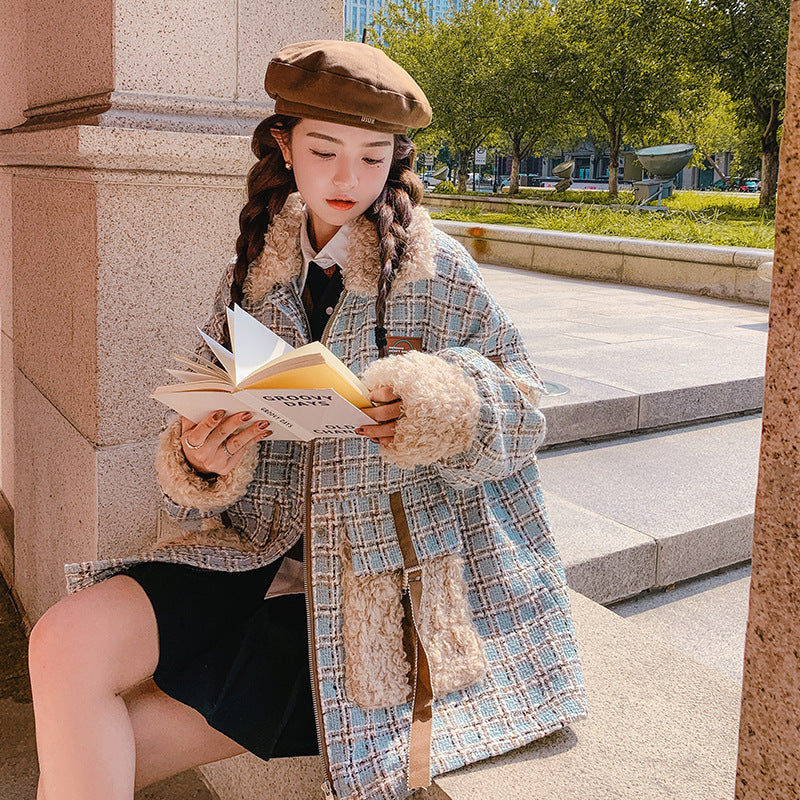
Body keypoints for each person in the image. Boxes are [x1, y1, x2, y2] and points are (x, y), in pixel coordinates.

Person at [28, 40, 587, 800]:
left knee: (116, 742)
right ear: (285, 147)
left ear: (398, 158)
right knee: (62, 641)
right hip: (252, 553)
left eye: (372, 156)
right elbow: (209, 414)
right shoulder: (255, 270)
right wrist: (202, 457)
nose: (347, 179)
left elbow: (523, 412)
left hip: (375, 593)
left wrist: (437, 403)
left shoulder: (438, 268)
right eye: (324, 151)